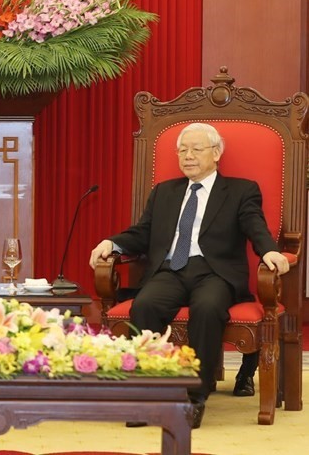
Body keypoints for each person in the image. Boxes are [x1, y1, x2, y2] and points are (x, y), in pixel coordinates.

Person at [89, 122, 289, 429]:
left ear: (216, 153)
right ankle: (149, 396)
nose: (188, 156)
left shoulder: (240, 190)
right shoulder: (165, 192)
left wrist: (269, 252)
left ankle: (195, 397)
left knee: (207, 309)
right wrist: (112, 242)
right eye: (182, 150)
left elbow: (254, 226)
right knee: (144, 306)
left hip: (214, 273)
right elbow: (143, 232)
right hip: (170, 271)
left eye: (197, 149)